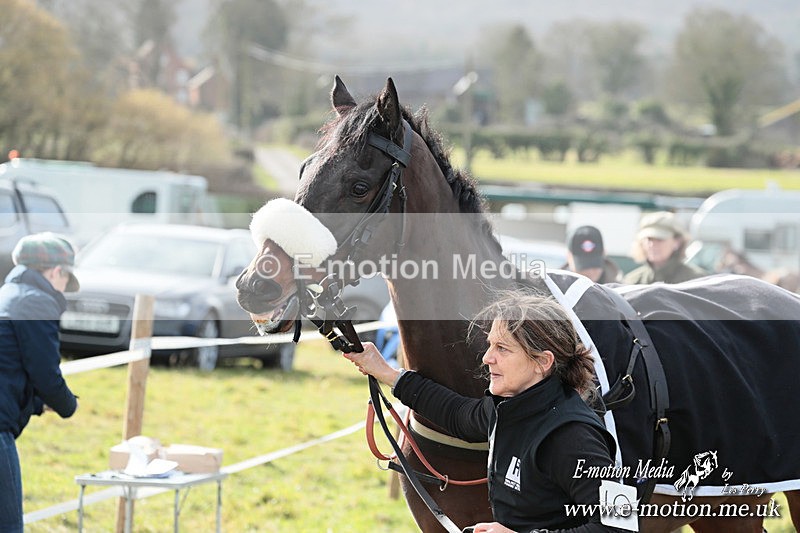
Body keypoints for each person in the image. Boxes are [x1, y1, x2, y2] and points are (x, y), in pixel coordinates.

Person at [344, 293, 625, 532]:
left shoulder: (573, 437)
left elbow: (622, 522)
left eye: (502, 348)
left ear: (542, 362)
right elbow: (458, 414)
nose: (487, 357)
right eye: (490, 344)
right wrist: (386, 372)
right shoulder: (509, 407)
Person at [0, 233, 79, 531]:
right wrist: (68, 405)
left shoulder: (7, 295)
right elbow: (45, 373)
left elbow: (11, 367)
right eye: (65, 279)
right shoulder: (37, 303)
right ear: (57, 271)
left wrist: (35, 402)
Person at [623, 211, 707, 284]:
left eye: (659, 239)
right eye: (649, 239)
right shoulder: (633, 281)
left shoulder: (695, 280)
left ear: (677, 242)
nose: (652, 244)